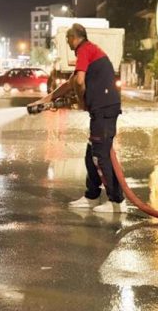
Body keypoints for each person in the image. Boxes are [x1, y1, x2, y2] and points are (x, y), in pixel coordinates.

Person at [29, 23, 125, 213]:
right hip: (101, 110)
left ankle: (117, 202)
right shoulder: (90, 50)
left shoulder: (84, 49)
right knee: (91, 155)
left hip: (104, 110)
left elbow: (80, 82)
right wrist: (43, 101)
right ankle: (92, 196)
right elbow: (70, 84)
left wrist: (82, 102)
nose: (68, 44)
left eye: (67, 40)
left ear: (74, 37)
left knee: (100, 156)